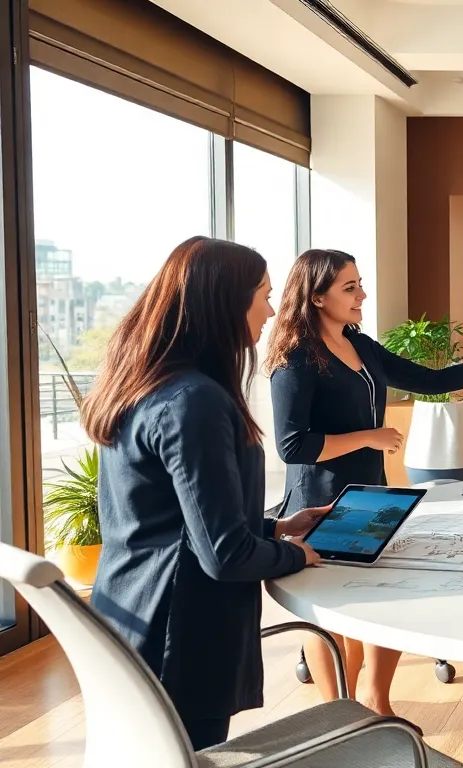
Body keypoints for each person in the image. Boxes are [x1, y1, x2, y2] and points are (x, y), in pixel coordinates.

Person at [265, 248, 463, 722]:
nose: (362, 295)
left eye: (359, 284)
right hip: (321, 503)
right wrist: (369, 436)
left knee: (378, 602)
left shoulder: (362, 345)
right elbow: (293, 446)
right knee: (330, 613)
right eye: (349, 287)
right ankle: (338, 715)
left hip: (373, 494)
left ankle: (376, 703)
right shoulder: (295, 360)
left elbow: (429, 381)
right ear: (315, 297)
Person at [85, 237, 330, 750]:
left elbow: (167, 519)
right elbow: (222, 556)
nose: (269, 309)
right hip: (180, 641)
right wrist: (295, 555)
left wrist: (275, 527)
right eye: (262, 294)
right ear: (224, 303)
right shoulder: (195, 401)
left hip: (129, 620)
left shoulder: (144, 384)